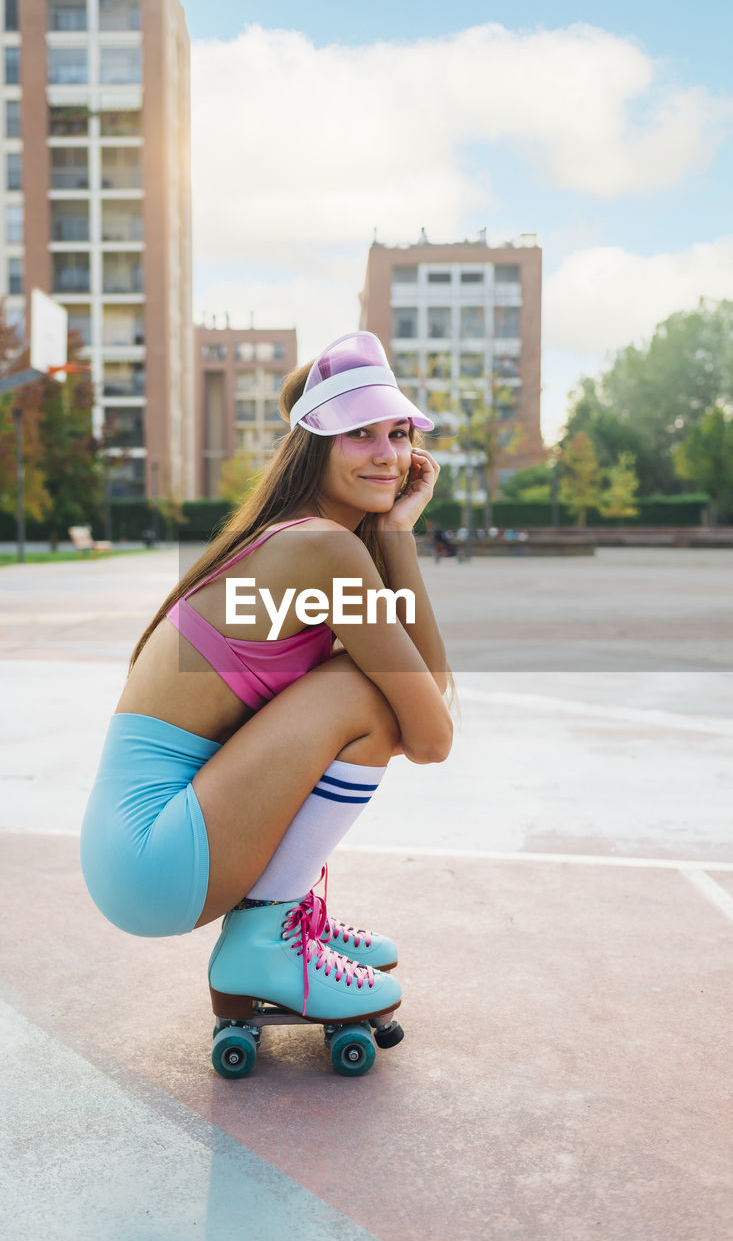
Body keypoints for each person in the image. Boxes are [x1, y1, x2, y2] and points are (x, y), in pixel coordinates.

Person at [80, 332, 454, 1030]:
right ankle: (266, 934)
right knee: (360, 692)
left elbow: (429, 692)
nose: (388, 455)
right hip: (155, 854)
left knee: (369, 685)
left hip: (148, 853)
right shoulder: (321, 546)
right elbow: (431, 734)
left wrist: (399, 531)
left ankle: (280, 920)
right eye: (358, 434)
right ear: (315, 445)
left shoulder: (308, 538)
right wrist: (391, 538)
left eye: (399, 435)